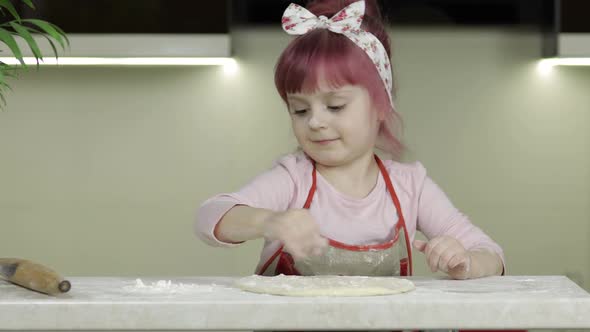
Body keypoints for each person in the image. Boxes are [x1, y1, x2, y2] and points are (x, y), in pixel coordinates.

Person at [195, 0, 504, 280]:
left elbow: (491, 254)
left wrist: (465, 262)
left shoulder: (411, 186)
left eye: (335, 106)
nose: (315, 122)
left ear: (381, 105)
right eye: (300, 109)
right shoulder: (294, 179)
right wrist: (270, 221)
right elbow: (210, 216)